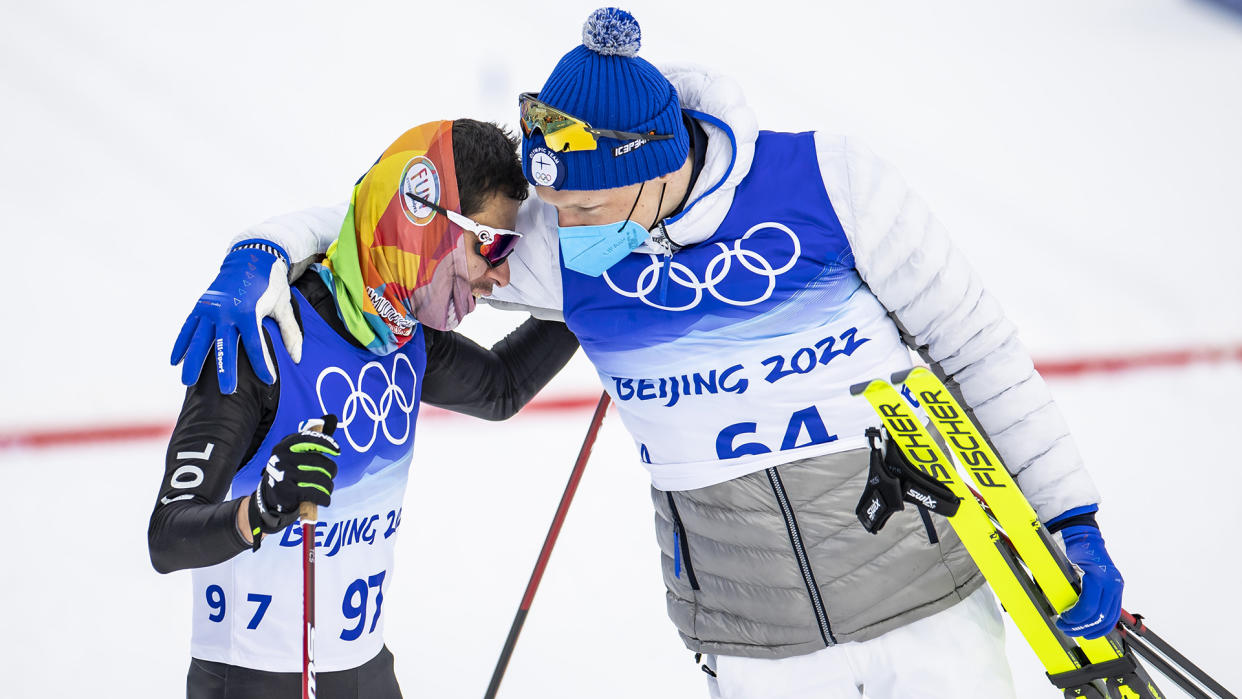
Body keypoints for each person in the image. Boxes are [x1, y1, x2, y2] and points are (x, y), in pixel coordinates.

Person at [172, 10, 1127, 698]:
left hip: (930, 608)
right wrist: (258, 250)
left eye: (586, 211)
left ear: (652, 169)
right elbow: (389, 217)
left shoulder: (832, 183)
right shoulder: (565, 250)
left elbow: (978, 347)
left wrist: (1069, 515)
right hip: (755, 647)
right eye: (558, 213)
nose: (562, 234)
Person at [151, 119, 579, 698]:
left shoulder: (405, 337)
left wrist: (604, 293)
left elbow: (502, 387)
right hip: (252, 681)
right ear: (426, 225)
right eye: (493, 246)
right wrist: (261, 507)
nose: (500, 275)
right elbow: (168, 536)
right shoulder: (267, 338)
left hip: (367, 675)